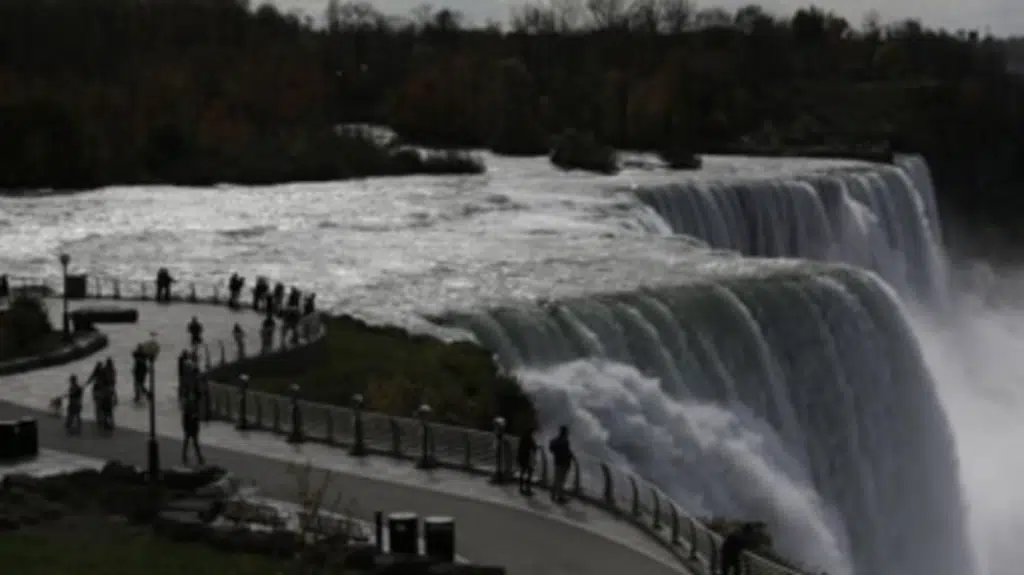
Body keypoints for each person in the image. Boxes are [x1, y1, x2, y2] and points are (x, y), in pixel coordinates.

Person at [548, 425, 574, 504]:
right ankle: (560, 497)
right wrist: (571, 456)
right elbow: (568, 452)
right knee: (561, 481)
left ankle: (553, 495)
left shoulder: (556, 440)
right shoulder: (565, 441)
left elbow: (551, 448)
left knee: (556, 479)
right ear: (565, 432)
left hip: (557, 462)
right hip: (564, 463)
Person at [181, 389, 205, 466]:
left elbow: (196, 416)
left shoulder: (194, 404)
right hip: (189, 426)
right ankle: (187, 456)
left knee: (193, 442)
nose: (192, 397)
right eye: (191, 395)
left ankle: (198, 457)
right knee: (188, 442)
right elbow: (185, 417)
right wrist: (185, 426)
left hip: (193, 426)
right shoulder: (188, 405)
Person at [517, 427, 538, 495]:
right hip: (528, 458)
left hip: (522, 458)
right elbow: (534, 447)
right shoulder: (530, 439)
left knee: (522, 473)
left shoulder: (522, 438)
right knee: (529, 473)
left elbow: (520, 448)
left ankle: (521, 488)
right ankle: (528, 488)